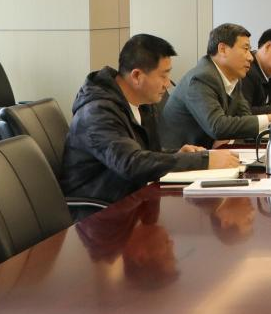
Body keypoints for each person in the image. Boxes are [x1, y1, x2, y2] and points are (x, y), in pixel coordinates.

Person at [61, 34, 240, 208]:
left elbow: (146, 153)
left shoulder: (143, 104)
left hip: (134, 201)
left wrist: (178, 154)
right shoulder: (97, 113)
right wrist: (203, 160)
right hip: (98, 213)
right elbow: (131, 163)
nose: (167, 84)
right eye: (163, 76)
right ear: (136, 76)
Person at [162, 23, 271, 149]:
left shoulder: (234, 77)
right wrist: (270, 118)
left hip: (209, 151)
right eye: (245, 49)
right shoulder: (201, 78)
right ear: (223, 49)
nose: (250, 57)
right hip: (180, 158)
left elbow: (245, 116)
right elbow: (217, 127)